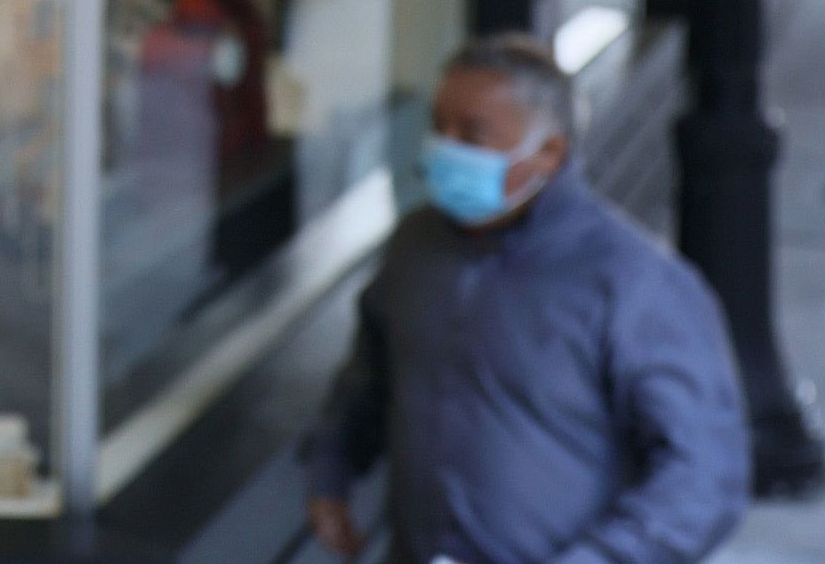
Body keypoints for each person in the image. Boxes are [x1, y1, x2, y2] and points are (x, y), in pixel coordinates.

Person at [302, 34, 750, 564]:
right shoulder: (416, 246)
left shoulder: (634, 282)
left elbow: (703, 476)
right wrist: (329, 472)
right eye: (438, 126)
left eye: (472, 134)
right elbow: (369, 377)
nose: (445, 148)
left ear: (548, 153)